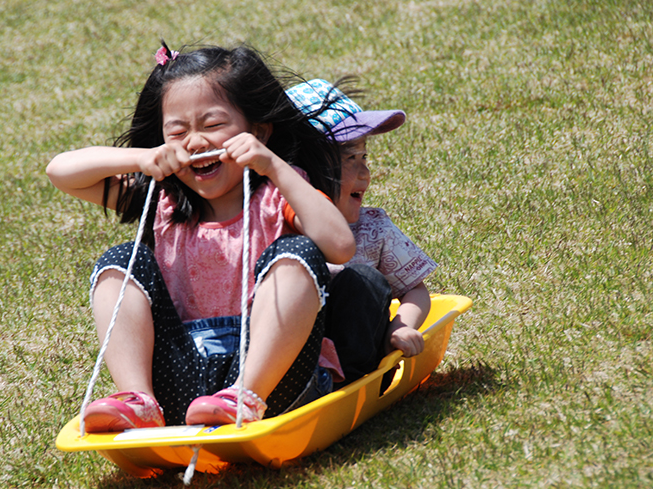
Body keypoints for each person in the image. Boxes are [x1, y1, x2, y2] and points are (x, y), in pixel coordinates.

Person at [46, 44, 355, 432]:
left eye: (212, 126)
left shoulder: (281, 193)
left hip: (275, 384)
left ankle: (244, 395)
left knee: (298, 252)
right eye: (178, 131)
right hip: (185, 390)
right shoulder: (163, 200)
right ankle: (139, 400)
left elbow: (340, 246)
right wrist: (141, 160)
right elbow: (60, 171)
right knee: (123, 259)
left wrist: (273, 165)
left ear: (258, 131)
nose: (194, 142)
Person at [286, 79, 437, 387]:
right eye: (349, 159)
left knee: (361, 283)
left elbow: (416, 290)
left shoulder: (372, 228)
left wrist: (400, 327)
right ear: (302, 170)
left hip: (358, 367)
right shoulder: (275, 226)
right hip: (294, 363)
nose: (365, 172)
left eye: (363, 157)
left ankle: (344, 386)